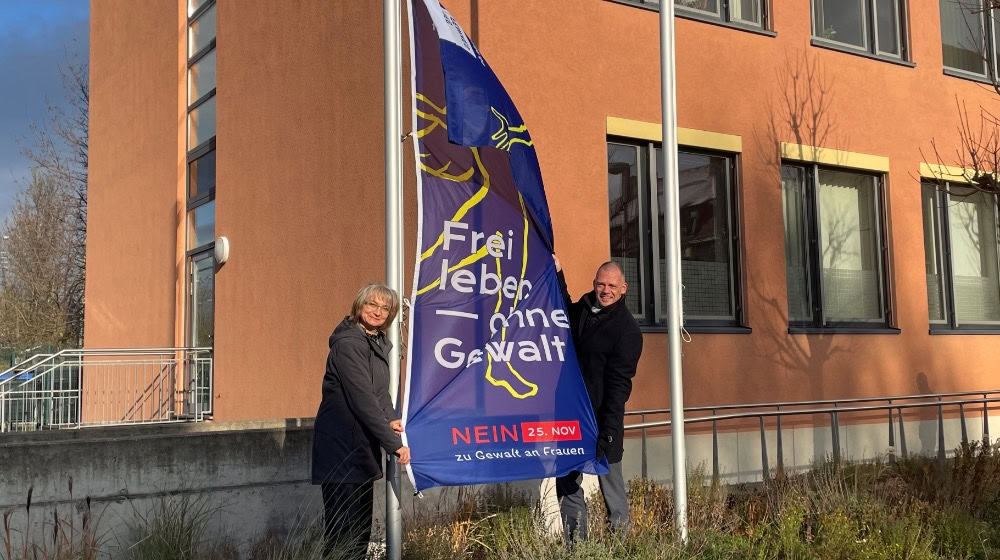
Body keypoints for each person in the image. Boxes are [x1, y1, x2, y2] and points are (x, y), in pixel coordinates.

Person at [311, 283, 411, 559]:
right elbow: (362, 399)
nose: (378, 312)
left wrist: (391, 420)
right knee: (343, 532)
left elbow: (380, 393)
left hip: (360, 449)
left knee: (358, 532)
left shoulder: (374, 341)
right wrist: (393, 444)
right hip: (342, 449)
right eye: (372, 305)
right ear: (359, 305)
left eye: (385, 308)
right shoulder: (349, 344)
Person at [554, 258, 643, 541]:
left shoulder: (627, 331)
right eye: (600, 284)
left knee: (612, 489)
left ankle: (621, 548)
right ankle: (576, 547)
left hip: (603, 422)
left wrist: (607, 432)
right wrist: (558, 272)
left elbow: (618, 388)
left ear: (623, 288)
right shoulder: (585, 307)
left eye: (612, 286)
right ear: (594, 284)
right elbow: (563, 310)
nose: (605, 290)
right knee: (567, 481)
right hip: (572, 416)